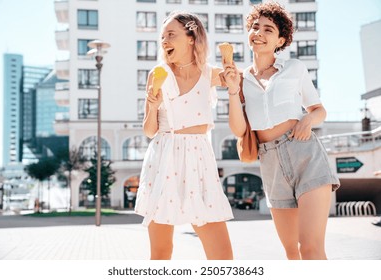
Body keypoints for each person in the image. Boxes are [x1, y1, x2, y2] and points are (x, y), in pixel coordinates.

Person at [222, 2, 340, 260]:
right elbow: (239, 129)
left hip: (305, 153)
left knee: (310, 248)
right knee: (291, 251)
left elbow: (319, 109)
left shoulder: (295, 69)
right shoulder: (240, 79)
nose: (259, 33)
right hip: (270, 162)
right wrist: (231, 90)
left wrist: (307, 120)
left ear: (281, 40)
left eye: (268, 29)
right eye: (255, 27)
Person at [135, 11, 234, 260]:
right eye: (162, 36)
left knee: (221, 254)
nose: (165, 41)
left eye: (171, 35)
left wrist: (233, 78)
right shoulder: (158, 74)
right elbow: (149, 131)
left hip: (199, 158)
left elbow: (241, 84)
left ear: (192, 37)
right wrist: (153, 106)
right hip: (164, 156)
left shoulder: (209, 73)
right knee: (161, 250)